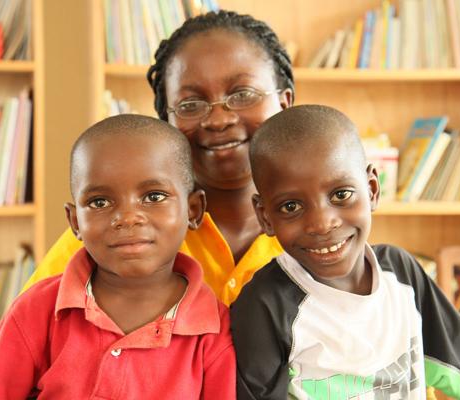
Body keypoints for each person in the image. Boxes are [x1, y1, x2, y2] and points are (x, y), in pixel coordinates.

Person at [231, 105, 460, 400]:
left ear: (372, 189)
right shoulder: (264, 306)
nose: (322, 224)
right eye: (291, 207)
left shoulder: (400, 273)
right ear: (265, 216)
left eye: (341, 194)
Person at [21, 10, 294, 306]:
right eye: (190, 103)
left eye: (243, 94)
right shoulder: (112, 232)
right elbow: (24, 336)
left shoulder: (326, 220)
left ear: (284, 102)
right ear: (166, 121)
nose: (218, 120)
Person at [0, 115, 235, 399]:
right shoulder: (38, 310)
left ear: (193, 210)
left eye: (154, 196)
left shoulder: (215, 332)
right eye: (100, 202)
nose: (127, 218)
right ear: (75, 221)